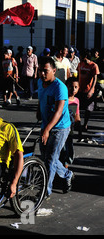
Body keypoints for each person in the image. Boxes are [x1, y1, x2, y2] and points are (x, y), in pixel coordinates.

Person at [37, 56, 74, 196]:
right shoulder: (40, 83)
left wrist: (47, 130)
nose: (42, 74)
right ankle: (66, 174)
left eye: (45, 71)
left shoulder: (60, 87)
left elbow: (59, 112)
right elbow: (40, 99)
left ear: (54, 70)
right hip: (46, 123)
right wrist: (38, 112)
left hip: (60, 127)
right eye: (40, 70)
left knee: (50, 159)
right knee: (47, 157)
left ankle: (45, 191)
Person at [77, 49, 100, 132]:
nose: (79, 57)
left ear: (85, 56)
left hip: (89, 91)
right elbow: (78, 76)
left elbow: (95, 79)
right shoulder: (80, 64)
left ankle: (85, 124)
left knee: (88, 109)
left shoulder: (93, 65)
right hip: (80, 90)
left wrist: (91, 90)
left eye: (80, 55)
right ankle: (77, 123)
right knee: (77, 108)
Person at [60, 77, 81, 167]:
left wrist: (79, 129)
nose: (73, 89)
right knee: (62, 151)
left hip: (70, 130)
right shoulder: (63, 99)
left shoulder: (76, 100)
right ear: (66, 87)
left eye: (76, 87)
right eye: (71, 87)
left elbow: (77, 115)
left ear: (79, 88)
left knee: (69, 151)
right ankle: (63, 172)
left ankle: (64, 171)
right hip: (61, 129)